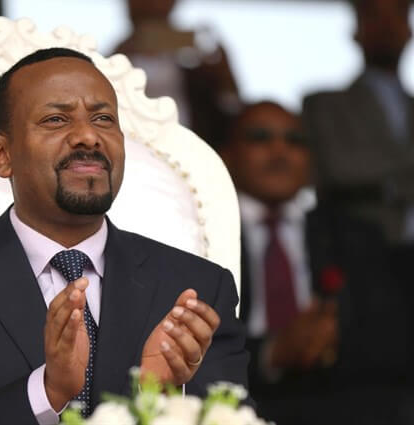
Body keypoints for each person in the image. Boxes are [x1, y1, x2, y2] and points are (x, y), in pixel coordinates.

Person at [0, 48, 248, 425]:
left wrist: (158, 398)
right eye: (56, 120)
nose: (88, 136)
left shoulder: (195, 290)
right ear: (2, 154)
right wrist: (45, 392)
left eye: (103, 119)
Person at [220, 101, 412, 425]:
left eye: (295, 141)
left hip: (342, 399)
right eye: (260, 137)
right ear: (226, 155)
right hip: (241, 400)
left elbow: (394, 342)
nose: (280, 151)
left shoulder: (355, 235)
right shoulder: (200, 231)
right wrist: (271, 352)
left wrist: (329, 342)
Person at [302, 0, 414, 245]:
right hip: (356, 247)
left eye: (398, 15)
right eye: (375, 15)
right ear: (356, 30)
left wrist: (387, 184)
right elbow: (339, 170)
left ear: (409, 29)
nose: (387, 26)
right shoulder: (324, 105)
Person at [113, 0, 241, 148]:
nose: (151, 4)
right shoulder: (112, 62)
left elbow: (230, 110)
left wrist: (223, 75)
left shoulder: (198, 68)